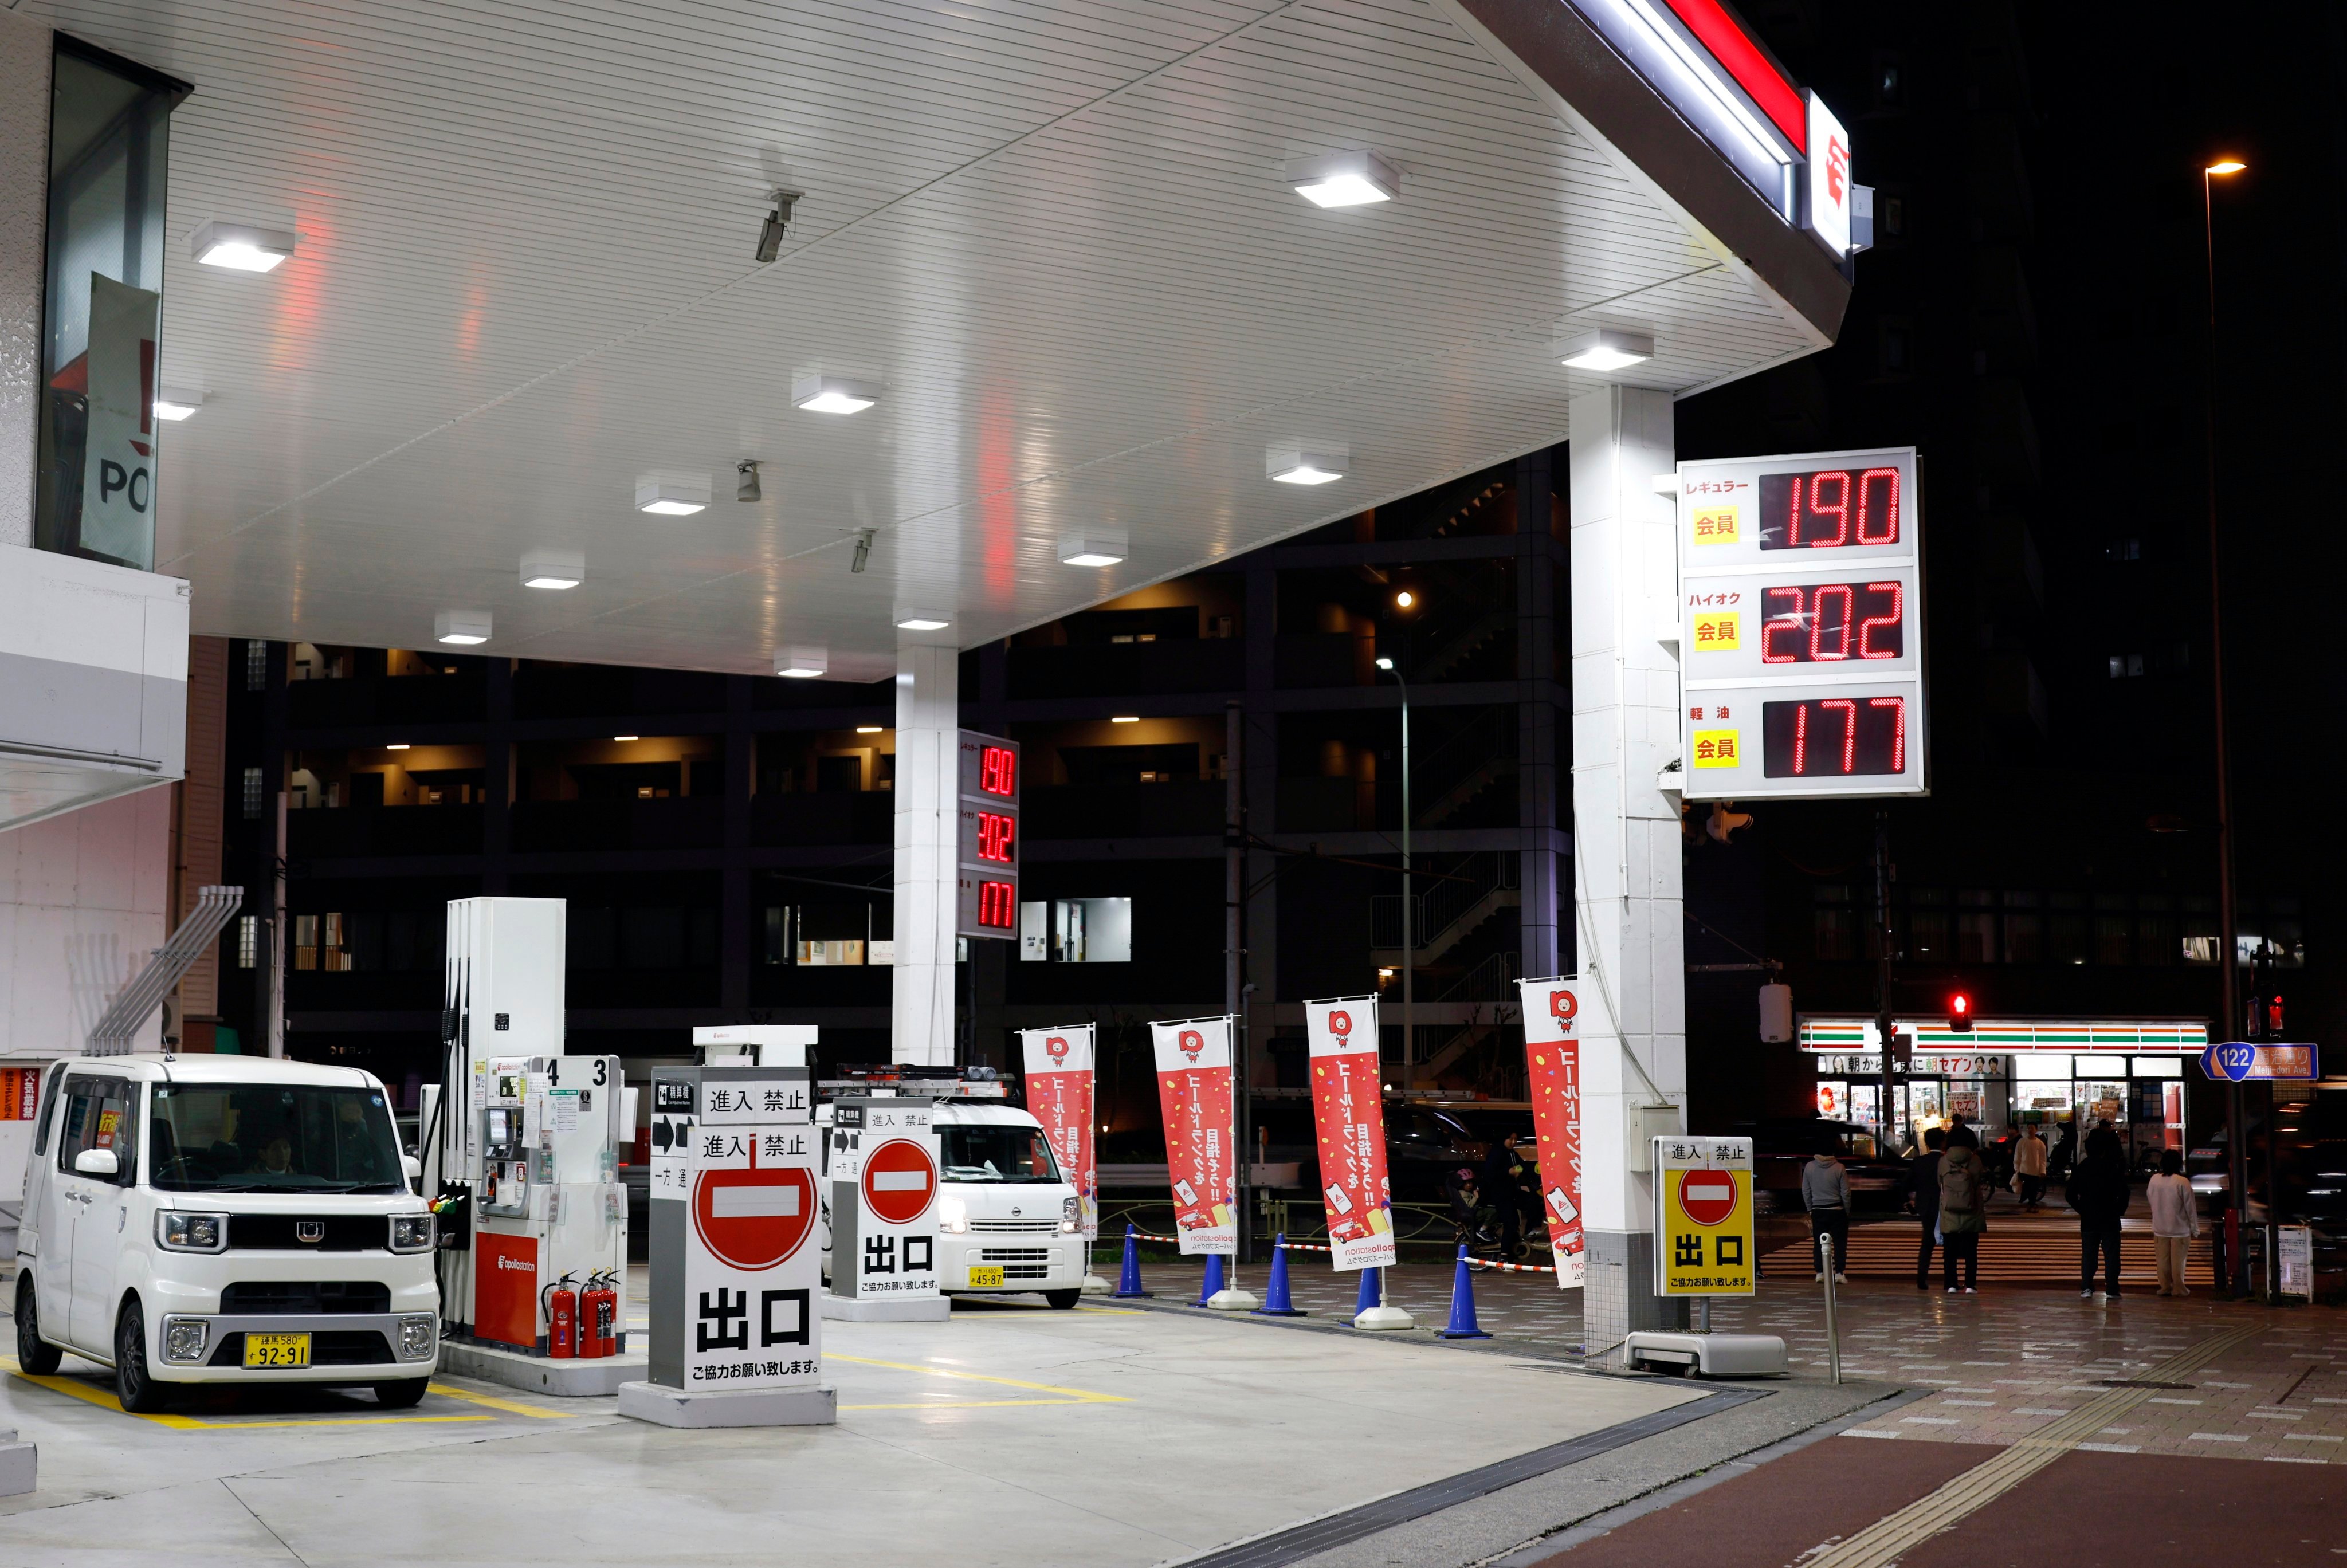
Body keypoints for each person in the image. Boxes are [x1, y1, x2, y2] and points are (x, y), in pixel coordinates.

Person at [2066, 1123, 2132, 1299]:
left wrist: (2082, 1209)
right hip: (2110, 1217)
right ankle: (2112, 1288)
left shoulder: (2082, 1168)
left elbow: (2070, 1194)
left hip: (2089, 1218)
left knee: (2089, 1254)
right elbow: (2125, 1191)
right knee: (2111, 1256)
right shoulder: (2112, 1167)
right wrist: (2119, 1210)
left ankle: (2087, 1286)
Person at [1938, 1124, 1987, 1292]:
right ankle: (1970, 1285)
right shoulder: (1975, 1161)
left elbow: (1940, 1184)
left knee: (1949, 1252)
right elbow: (1976, 1182)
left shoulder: (1943, 1161)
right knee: (1971, 1252)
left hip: (1949, 1212)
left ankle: (1951, 1284)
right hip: (1971, 1212)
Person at [2148, 1147, 2199, 1297]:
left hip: (2160, 1227)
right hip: (2179, 1228)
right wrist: (2194, 1228)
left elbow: (2151, 1199)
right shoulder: (2182, 1182)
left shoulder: (2154, 1180)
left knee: (2162, 1261)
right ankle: (2179, 1288)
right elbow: (2190, 1208)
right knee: (2178, 1261)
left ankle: (2165, 1287)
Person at [1803, 1135, 1851, 1283]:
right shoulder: (1839, 1167)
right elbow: (1846, 1192)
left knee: (1819, 1243)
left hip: (1818, 1210)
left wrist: (1810, 1208)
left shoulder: (1810, 1167)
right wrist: (1847, 1210)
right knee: (1840, 1243)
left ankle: (1820, 1272)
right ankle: (1839, 1273)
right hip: (1837, 1209)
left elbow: (1806, 1190)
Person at [1483, 1133, 1536, 1262]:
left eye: (1516, 1139)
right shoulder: (1496, 1153)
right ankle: (1504, 1257)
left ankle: (1530, 1230)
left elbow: (1522, 1166)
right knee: (1511, 1222)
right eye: (1510, 1139)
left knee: (1534, 1201)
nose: (1513, 1142)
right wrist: (1508, 1172)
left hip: (1512, 1193)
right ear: (1503, 1139)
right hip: (1499, 1195)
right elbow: (1490, 1174)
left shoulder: (1512, 1154)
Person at [1908, 1126, 1947, 1290]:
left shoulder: (1919, 1161)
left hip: (1925, 1206)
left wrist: (1910, 1202)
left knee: (1927, 1244)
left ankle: (1922, 1279)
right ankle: (1950, 1281)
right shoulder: (1947, 1161)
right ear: (1943, 1142)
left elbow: (1907, 1184)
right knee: (1949, 1244)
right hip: (1946, 1206)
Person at [2013, 1123, 2048, 1212]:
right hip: (2024, 1170)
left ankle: (2031, 1204)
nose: (2030, 1130)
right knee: (2029, 1187)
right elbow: (2017, 1156)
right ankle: (2031, 1204)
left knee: (2033, 1188)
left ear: (2036, 1130)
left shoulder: (2040, 1144)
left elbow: (2043, 1159)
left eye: (2032, 1128)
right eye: (2028, 1128)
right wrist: (2017, 1169)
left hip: (2035, 1170)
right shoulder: (2022, 1142)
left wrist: (2043, 1171)